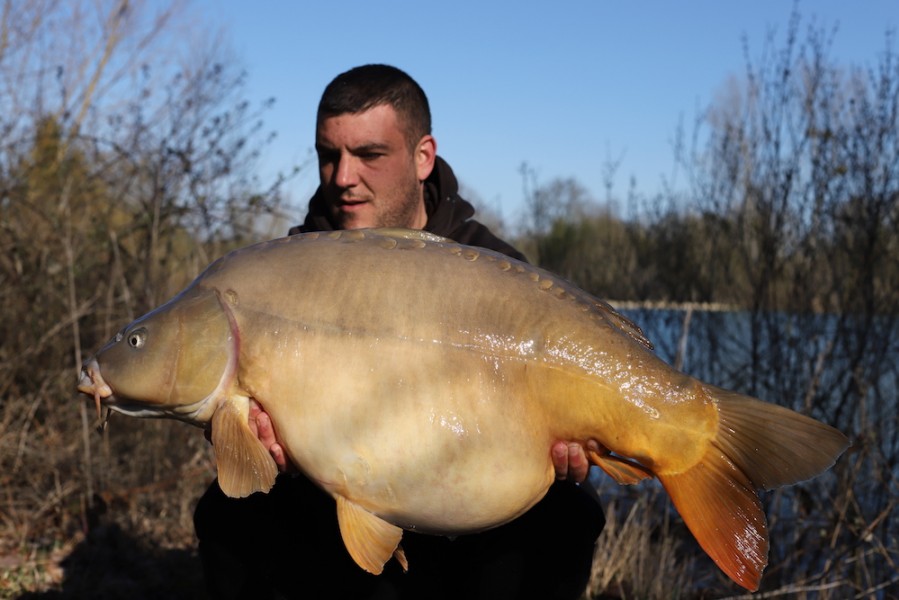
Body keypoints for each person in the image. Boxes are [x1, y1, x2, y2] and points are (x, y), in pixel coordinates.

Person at [194, 64, 605, 600]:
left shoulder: (493, 268)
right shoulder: (285, 271)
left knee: (568, 513)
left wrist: (573, 451)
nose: (343, 177)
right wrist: (244, 436)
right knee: (229, 514)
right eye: (328, 155)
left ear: (423, 156)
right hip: (333, 500)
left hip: (463, 502)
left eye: (369, 155)